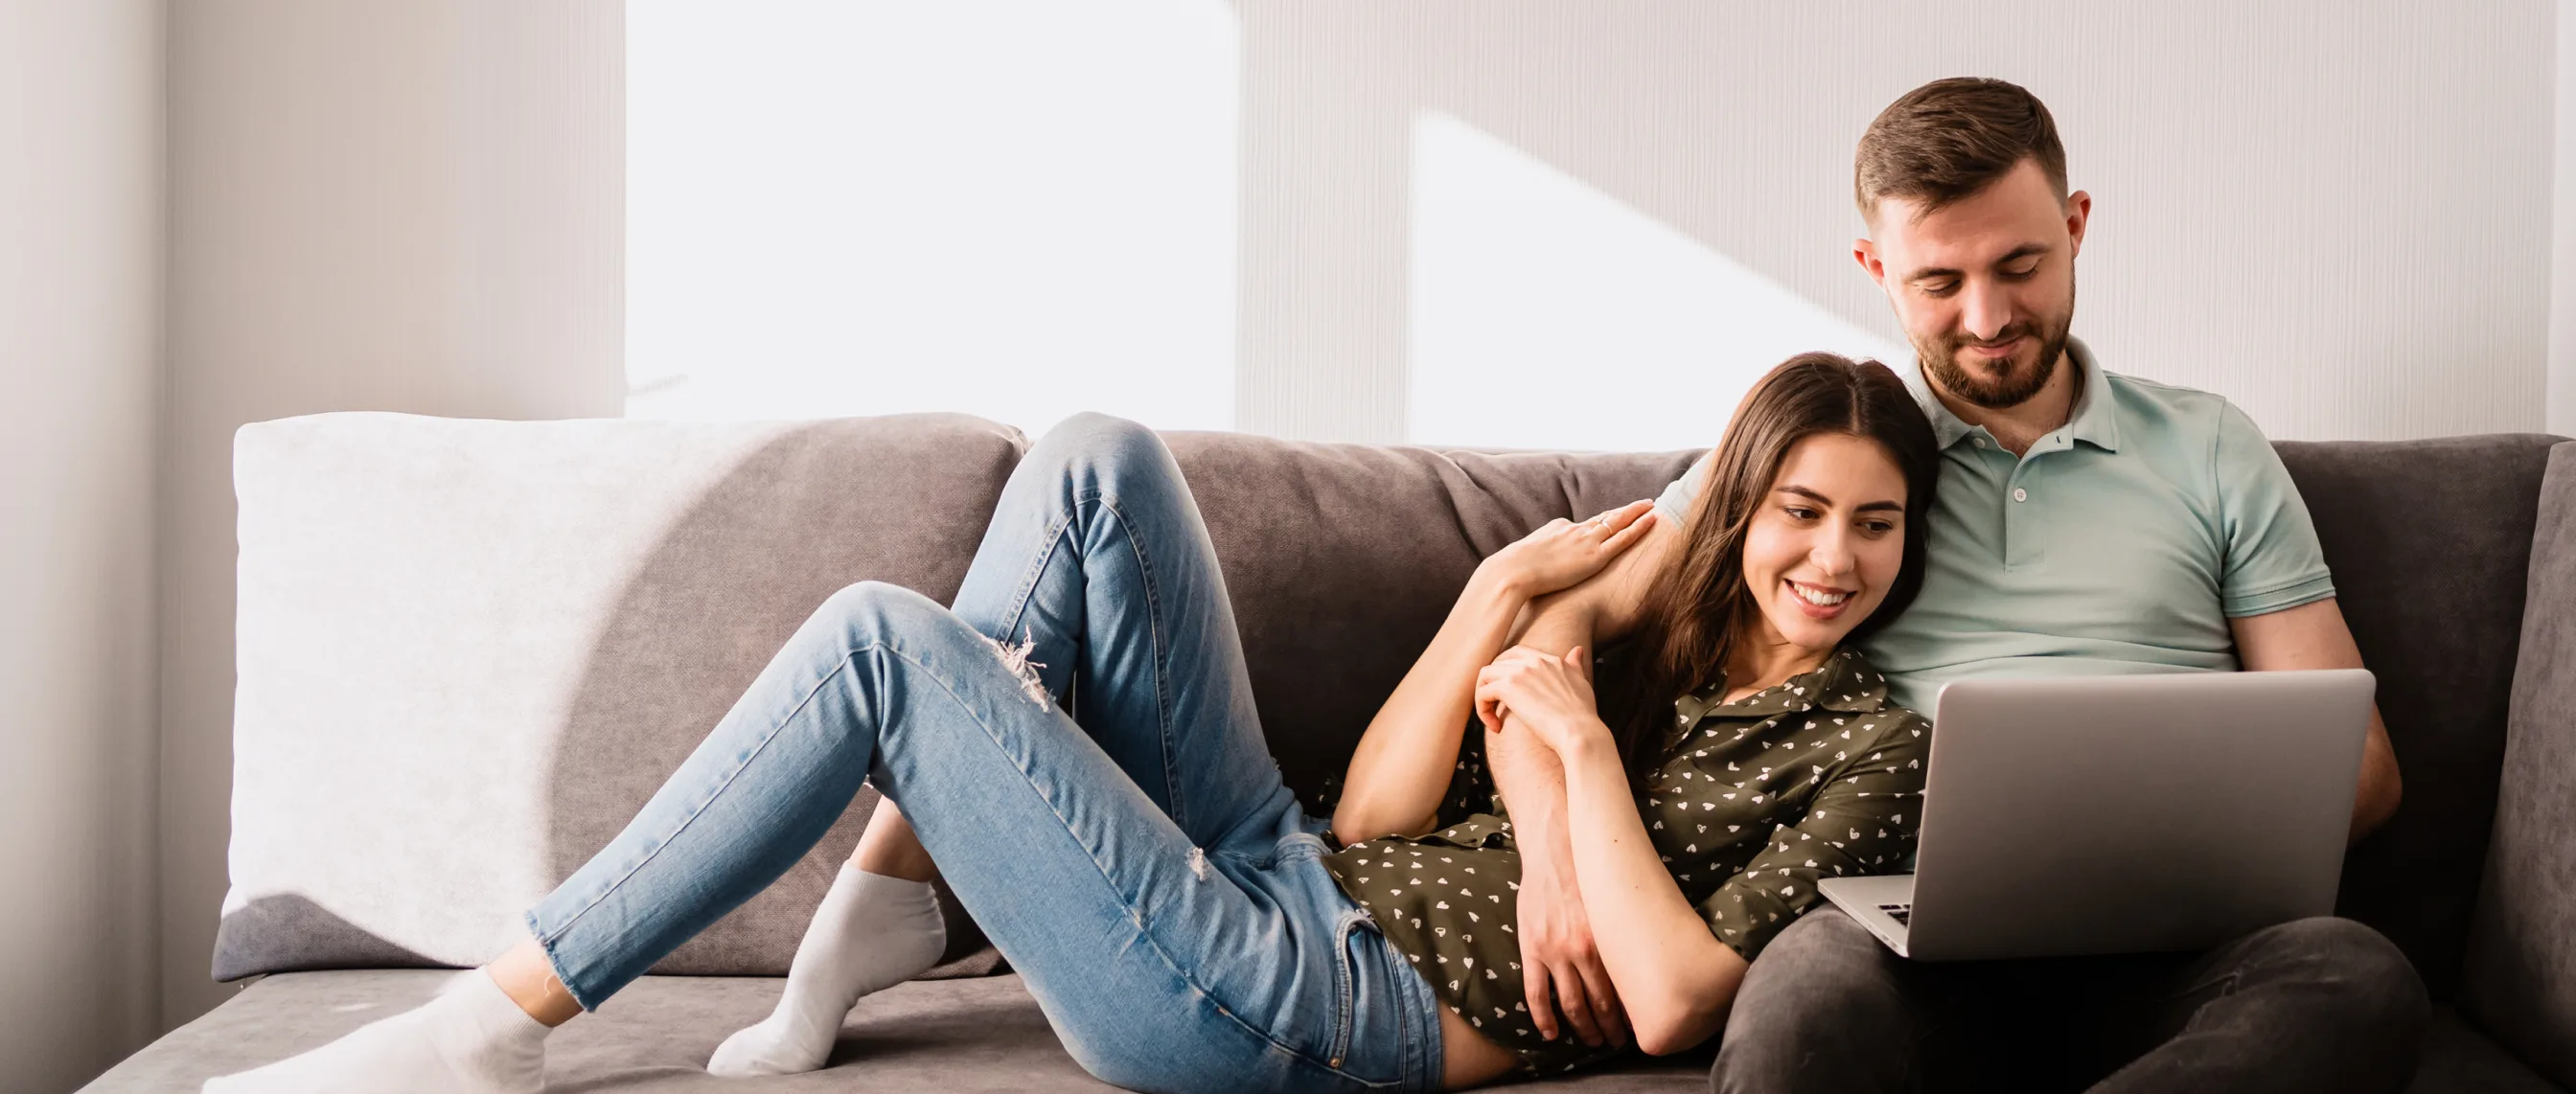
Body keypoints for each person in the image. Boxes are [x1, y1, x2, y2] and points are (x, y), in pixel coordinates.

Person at [203, 352, 1939, 1094]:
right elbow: (1366, 825)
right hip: (1289, 870)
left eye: (1872, 524)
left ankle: (498, 1016)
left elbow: (1681, 1006)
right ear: (1737, 505)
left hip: (1305, 1011)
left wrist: (1563, 763)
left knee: (883, 644)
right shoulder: (1641, 639)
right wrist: (1497, 609)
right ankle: (888, 898)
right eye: (1796, 508)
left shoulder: (1869, 747)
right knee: (1100, 455)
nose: (1829, 559)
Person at [1509, 78, 2429, 1094]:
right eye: (1939, 281)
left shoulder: (2211, 446)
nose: (1987, 317)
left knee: (2357, 976)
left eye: (2021, 264)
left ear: (2077, 228)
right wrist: (1554, 857)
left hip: (2181, 947)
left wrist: (2165, 842)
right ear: (1876, 269)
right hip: (1900, 948)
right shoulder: (1838, 452)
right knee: (1800, 997)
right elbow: (1553, 633)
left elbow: (2366, 766)